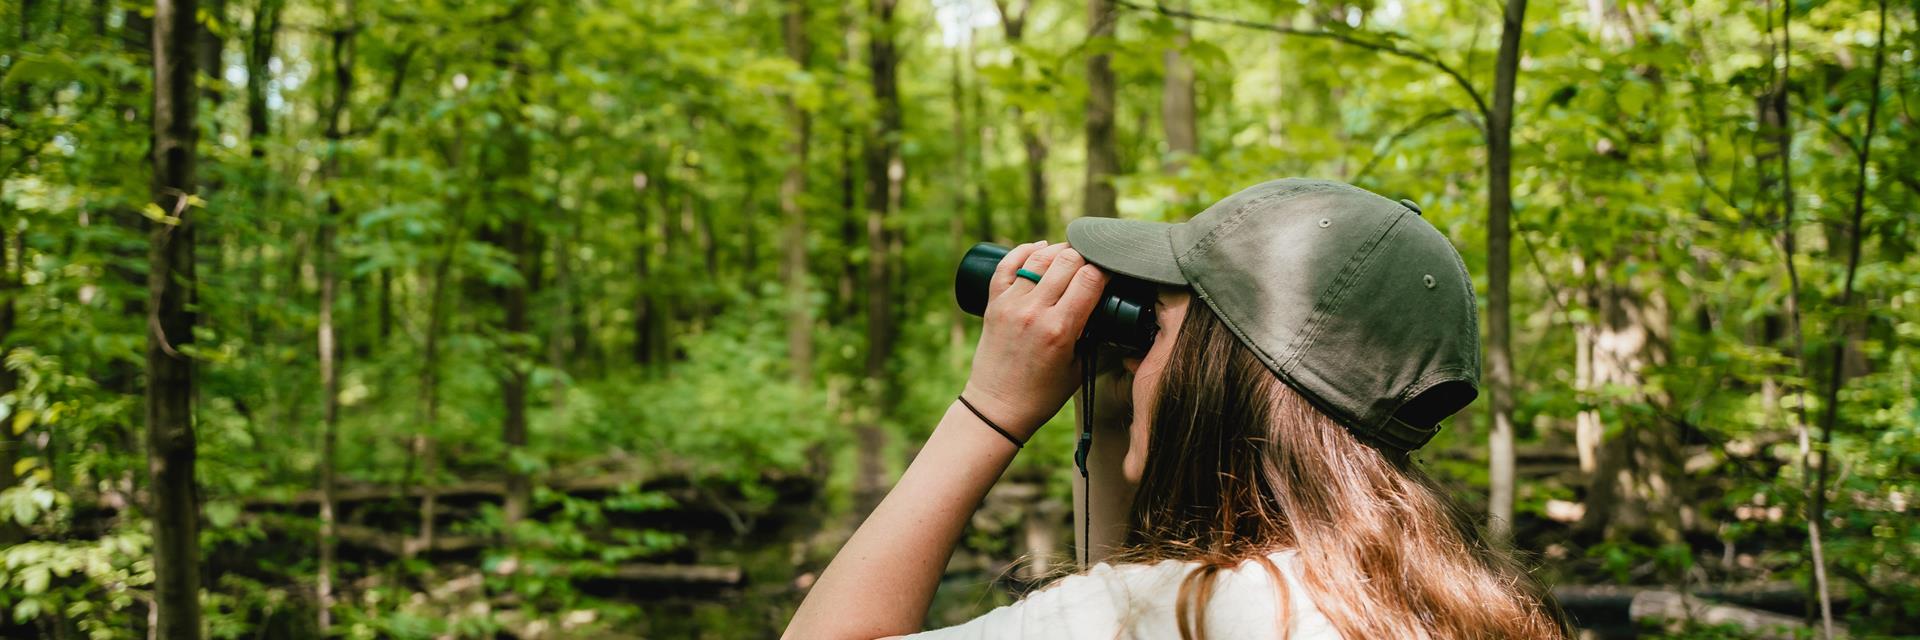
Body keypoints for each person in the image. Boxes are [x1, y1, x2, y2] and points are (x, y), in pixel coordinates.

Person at [783, 179, 1566, 639]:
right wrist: (1118, 413)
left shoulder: (1181, 610)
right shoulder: (1455, 600)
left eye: (1155, 325)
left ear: (1215, 371)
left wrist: (989, 408)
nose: (1136, 355)